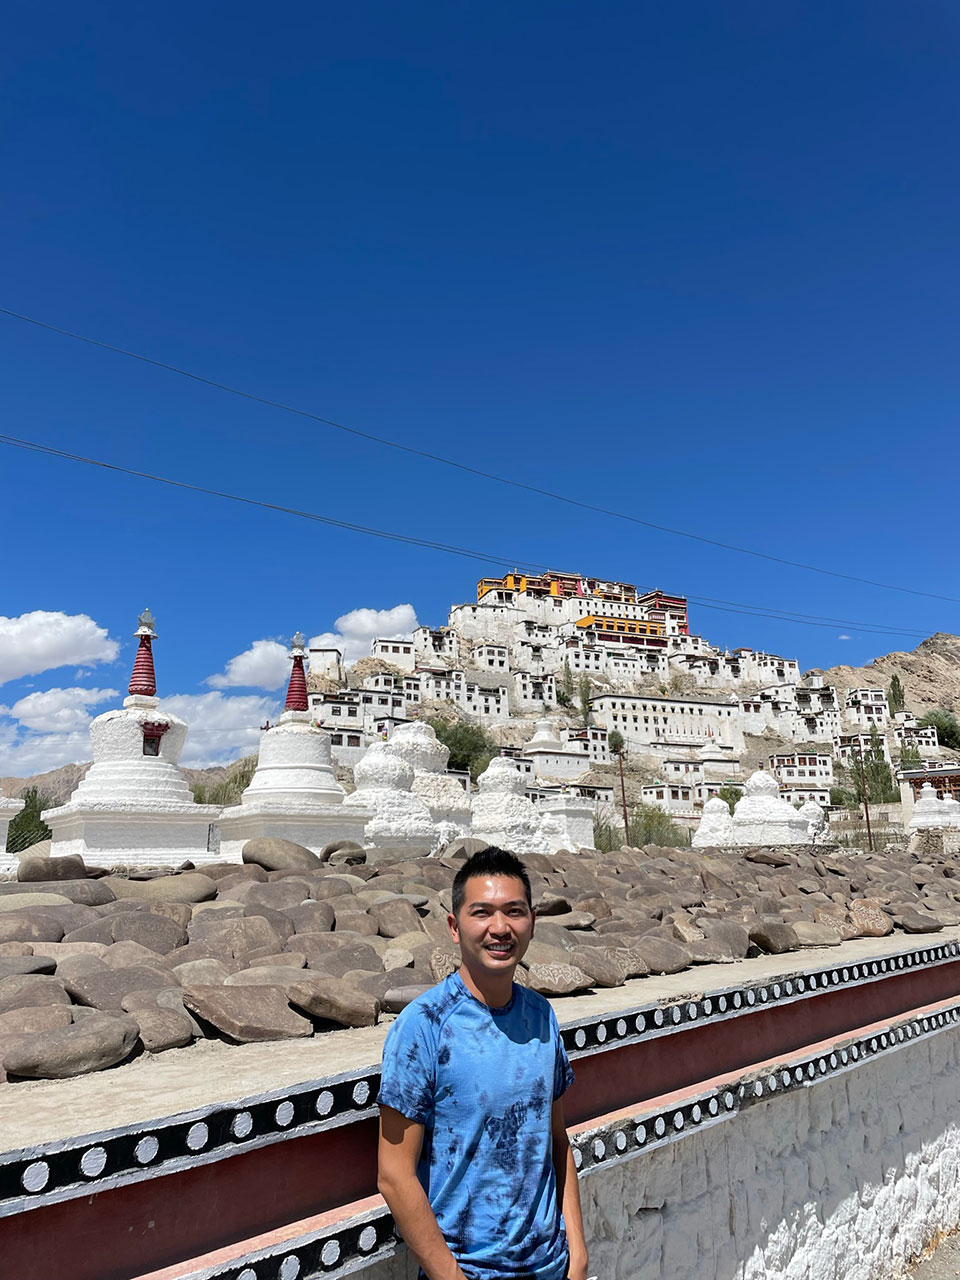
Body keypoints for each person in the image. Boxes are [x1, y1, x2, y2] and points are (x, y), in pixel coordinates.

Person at [377, 846, 588, 1280]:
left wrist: (577, 1253)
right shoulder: (424, 1025)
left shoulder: (541, 1015)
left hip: (551, 1266)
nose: (500, 928)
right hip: (470, 1270)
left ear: (532, 921)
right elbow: (394, 1175)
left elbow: (556, 1141)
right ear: (455, 927)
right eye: (482, 913)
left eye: (514, 911)